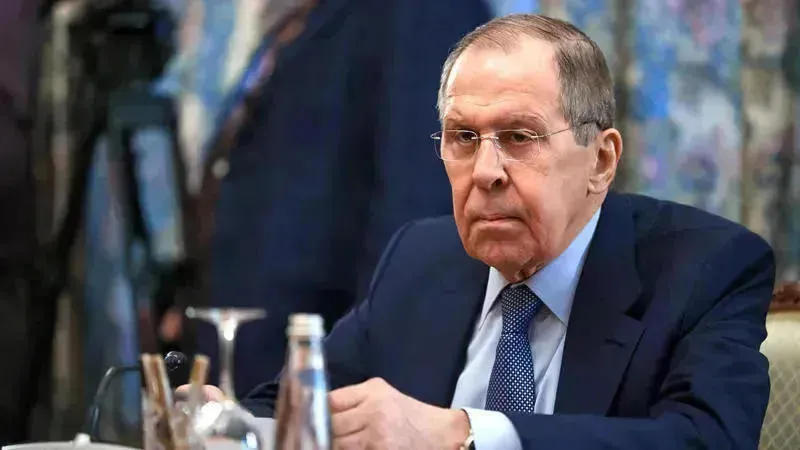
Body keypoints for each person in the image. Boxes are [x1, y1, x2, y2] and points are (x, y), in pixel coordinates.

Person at [200, 14, 774, 449]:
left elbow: (707, 439)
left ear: (601, 161)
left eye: (520, 137)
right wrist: (223, 425)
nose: (485, 172)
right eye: (464, 138)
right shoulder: (419, 258)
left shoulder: (705, 267)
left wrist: (463, 433)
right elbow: (295, 406)